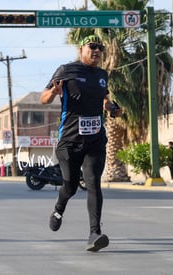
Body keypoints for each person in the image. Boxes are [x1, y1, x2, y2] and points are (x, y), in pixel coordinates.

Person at [40, 35, 121, 252]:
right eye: (92, 46)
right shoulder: (66, 70)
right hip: (69, 141)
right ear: (81, 49)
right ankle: (59, 209)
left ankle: (95, 233)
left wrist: (112, 108)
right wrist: (54, 92)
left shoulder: (102, 75)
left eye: (100, 48)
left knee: (93, 182)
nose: (97, 51)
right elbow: (43, 98)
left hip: (95, 138)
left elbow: (104, 98)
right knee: (71, 185)